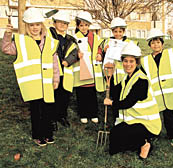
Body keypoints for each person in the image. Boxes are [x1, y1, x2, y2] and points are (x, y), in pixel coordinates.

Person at [1, 8, 60, 146]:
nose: (35, 28)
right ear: (27, 26)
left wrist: (55, 79)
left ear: (41, 25)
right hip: (32, 85)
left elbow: (54, 62)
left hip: (47, 83)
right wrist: (7, 34)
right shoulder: (22, 42)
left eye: (37, 24)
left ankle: (47, 133)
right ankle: (37, 135)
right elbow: (6, 48)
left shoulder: (49, 42)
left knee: (47, 110)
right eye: (31, 25)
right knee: (36, 111)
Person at [104, 42, 162, 159]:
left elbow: (128, 102)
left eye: (131, 61)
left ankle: (145, 144)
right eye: (125, 61)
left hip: (147, 124)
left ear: (137, 62)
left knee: (124, 137)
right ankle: (136, 142)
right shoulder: (127, 78)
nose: (128, 64)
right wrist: (110, 77)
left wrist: (111, 103)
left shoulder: (141, 80)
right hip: (133, 121)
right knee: (114, 143)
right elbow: (116, 92)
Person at [140, 28, 173, 147]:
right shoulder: (145, 60)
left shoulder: (172, 53)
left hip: (169, 93)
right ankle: (154, 133)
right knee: (154, 116)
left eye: (158, 42)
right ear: (149, 45)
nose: (156, 45)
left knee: (169, 116)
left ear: (162, 43)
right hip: (155, 94)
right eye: (153, 43)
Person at [48, 10, 79, 128]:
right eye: (59, 22)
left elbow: (77, 53)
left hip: (66, 72)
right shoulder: (48, 36)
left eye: (65, 23)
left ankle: (62, 116)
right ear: (54, 23)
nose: (62, 25)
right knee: (52, 96)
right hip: (53, 72)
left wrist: (68, 61)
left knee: (64, 96)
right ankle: (52, 119)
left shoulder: (71, 39)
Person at [73, 11, 105, 124]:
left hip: (92, 70)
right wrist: (76, 54)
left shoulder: (95, 37)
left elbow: (100, 47)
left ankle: (93, 113)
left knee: (92, 94)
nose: (84, 27)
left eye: (86, 25)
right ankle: (83, 113)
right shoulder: (74, 38)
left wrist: (99, 54)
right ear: (77, 26)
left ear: (89, 25)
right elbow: (71, 51)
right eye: (81, 25)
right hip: (81, 69)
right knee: (81, 94)